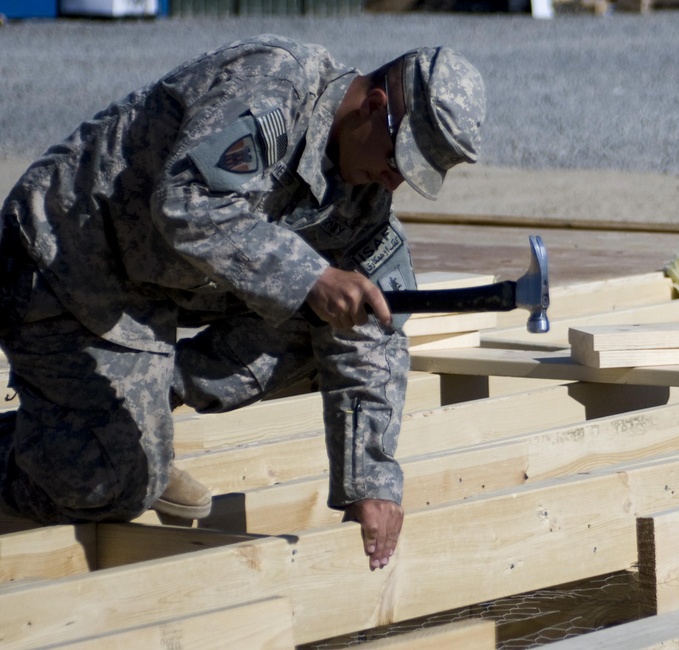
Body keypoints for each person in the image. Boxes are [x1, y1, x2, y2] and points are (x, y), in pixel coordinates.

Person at [0, 34, 486, 571]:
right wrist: (312, 276)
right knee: (111, 484)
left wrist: (370, 481)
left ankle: (133, 417)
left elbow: (375, 333)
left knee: (336, 317)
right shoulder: (273, 84)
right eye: (399, 160)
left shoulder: (365, 193)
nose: (395, 181)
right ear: (374, 107)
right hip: (69, 259)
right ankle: (110, 443)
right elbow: (187, 204)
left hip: (161, 286)